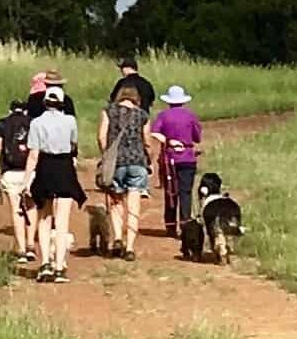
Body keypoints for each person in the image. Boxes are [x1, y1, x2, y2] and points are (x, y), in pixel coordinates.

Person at [22, 85, 85, 282]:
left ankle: (45, 264)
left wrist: (26, 181)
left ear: (45, 103)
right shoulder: (70, 121)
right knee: (62, 219)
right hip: (64, 167)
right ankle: (59, 267)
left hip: (45, 166)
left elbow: (33, 154)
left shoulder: (37, 123)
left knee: (44, 217)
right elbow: (74, 144)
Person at [96, 84, 153, 259]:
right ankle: (129, 247)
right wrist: (148, 159)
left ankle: (118, 237)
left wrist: (106, 155)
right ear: (136, 98)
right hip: (137, 162)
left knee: (116, 202)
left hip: (116, 163)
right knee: (134, 205)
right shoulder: (143, 115)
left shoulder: (108, 112)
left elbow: (101, 136)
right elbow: (147, 142)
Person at [0, 96, 38, 264]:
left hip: (10, 172)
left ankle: (21, 249)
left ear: (10, 110)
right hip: (30, 172)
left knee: (17, 210)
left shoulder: (3, 123)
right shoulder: (33, 122)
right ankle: (31, 245)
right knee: (31, 206)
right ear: (25, 110)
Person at [149, 84, 202, 235]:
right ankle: (185, 224)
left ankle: (170, 225)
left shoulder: (163, 116)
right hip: (187, 157)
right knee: (185, 192)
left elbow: (154, 132)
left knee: (170, 191)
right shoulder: (190, 115)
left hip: (169, 158)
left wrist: (167, 140)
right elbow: (197, 137)